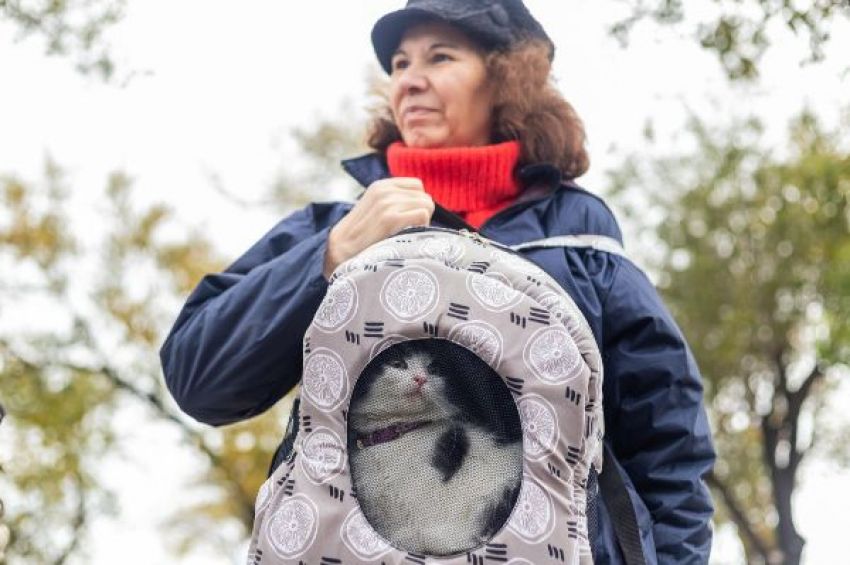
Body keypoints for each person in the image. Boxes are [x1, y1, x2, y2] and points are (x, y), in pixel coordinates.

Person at [159, 0, 715, 562]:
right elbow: (199, 378)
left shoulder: (583, 246)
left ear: (506, 78)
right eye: (400, 65)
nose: (410, 82)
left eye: (439, 57)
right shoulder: (334, 230)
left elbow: (670, 451)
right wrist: (330, 255)